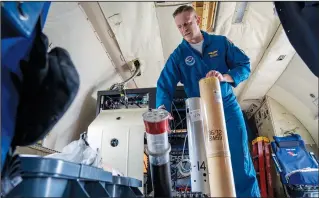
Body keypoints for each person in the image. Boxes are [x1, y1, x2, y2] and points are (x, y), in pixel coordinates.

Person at [156, 5, 260, 197]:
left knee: (240, 158)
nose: (184, 29)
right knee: (208, 164)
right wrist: (162, 109)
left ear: (197, 19)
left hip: (227, 107)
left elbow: (244, 64)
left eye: (187, 23)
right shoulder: (178, 55)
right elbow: (164, 84)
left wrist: (225, 77)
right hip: (200, 113)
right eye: (179, 26)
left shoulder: (220, 43)